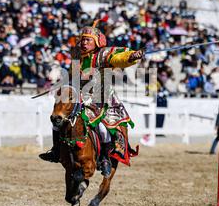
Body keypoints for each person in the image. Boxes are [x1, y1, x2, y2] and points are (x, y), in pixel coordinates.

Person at [39, 20, 145, 178]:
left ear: (96, 42)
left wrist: (132, 56)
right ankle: (56, 151)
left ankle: (104, 159)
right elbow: (73, 76)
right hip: (81, 95)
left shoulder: (104, 54)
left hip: (101, 97)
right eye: (82, 39)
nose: (83, 43)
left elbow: (119, 58)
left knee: (102, 127)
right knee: (58, 118)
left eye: (87, 40)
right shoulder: (77, 56)